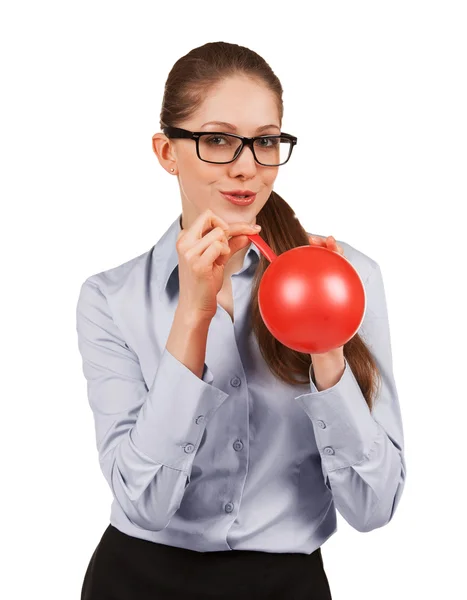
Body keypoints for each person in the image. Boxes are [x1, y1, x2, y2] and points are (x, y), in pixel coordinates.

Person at [76, 41, 406, 600]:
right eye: (218, 139)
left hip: (287, 586)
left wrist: (326, 345)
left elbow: (374, 507)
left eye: (266, 141)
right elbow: (142, 502)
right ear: (166, 152)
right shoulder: (111, 299)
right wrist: (193, 316)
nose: (247, 166)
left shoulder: (345, 278)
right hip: (135, 582)